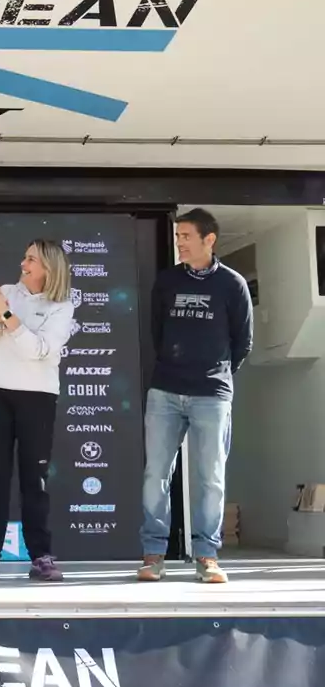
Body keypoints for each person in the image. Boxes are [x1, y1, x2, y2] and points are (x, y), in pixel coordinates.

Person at [139, 208, 252, 584]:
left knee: (211, 477)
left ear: (209, 239)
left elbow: (243, 342)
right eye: (177, 237)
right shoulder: (167, 281)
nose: (179, 243)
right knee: (156, 473)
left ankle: (207, 556)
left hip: (212, 394)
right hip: (165, 390)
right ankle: (154, 554)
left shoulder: (232, 284)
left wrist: (216, 374)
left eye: (186, 236)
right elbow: (158, 333)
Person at [0, 239, 75, 583]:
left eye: (31, 259)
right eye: (25, 256)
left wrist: (7, 315)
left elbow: (39, 350)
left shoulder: (62, 305)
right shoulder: (5, 293)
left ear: (48, 267)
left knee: (35, 479)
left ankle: (41, 555)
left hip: (38, 396)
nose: (23, 263)